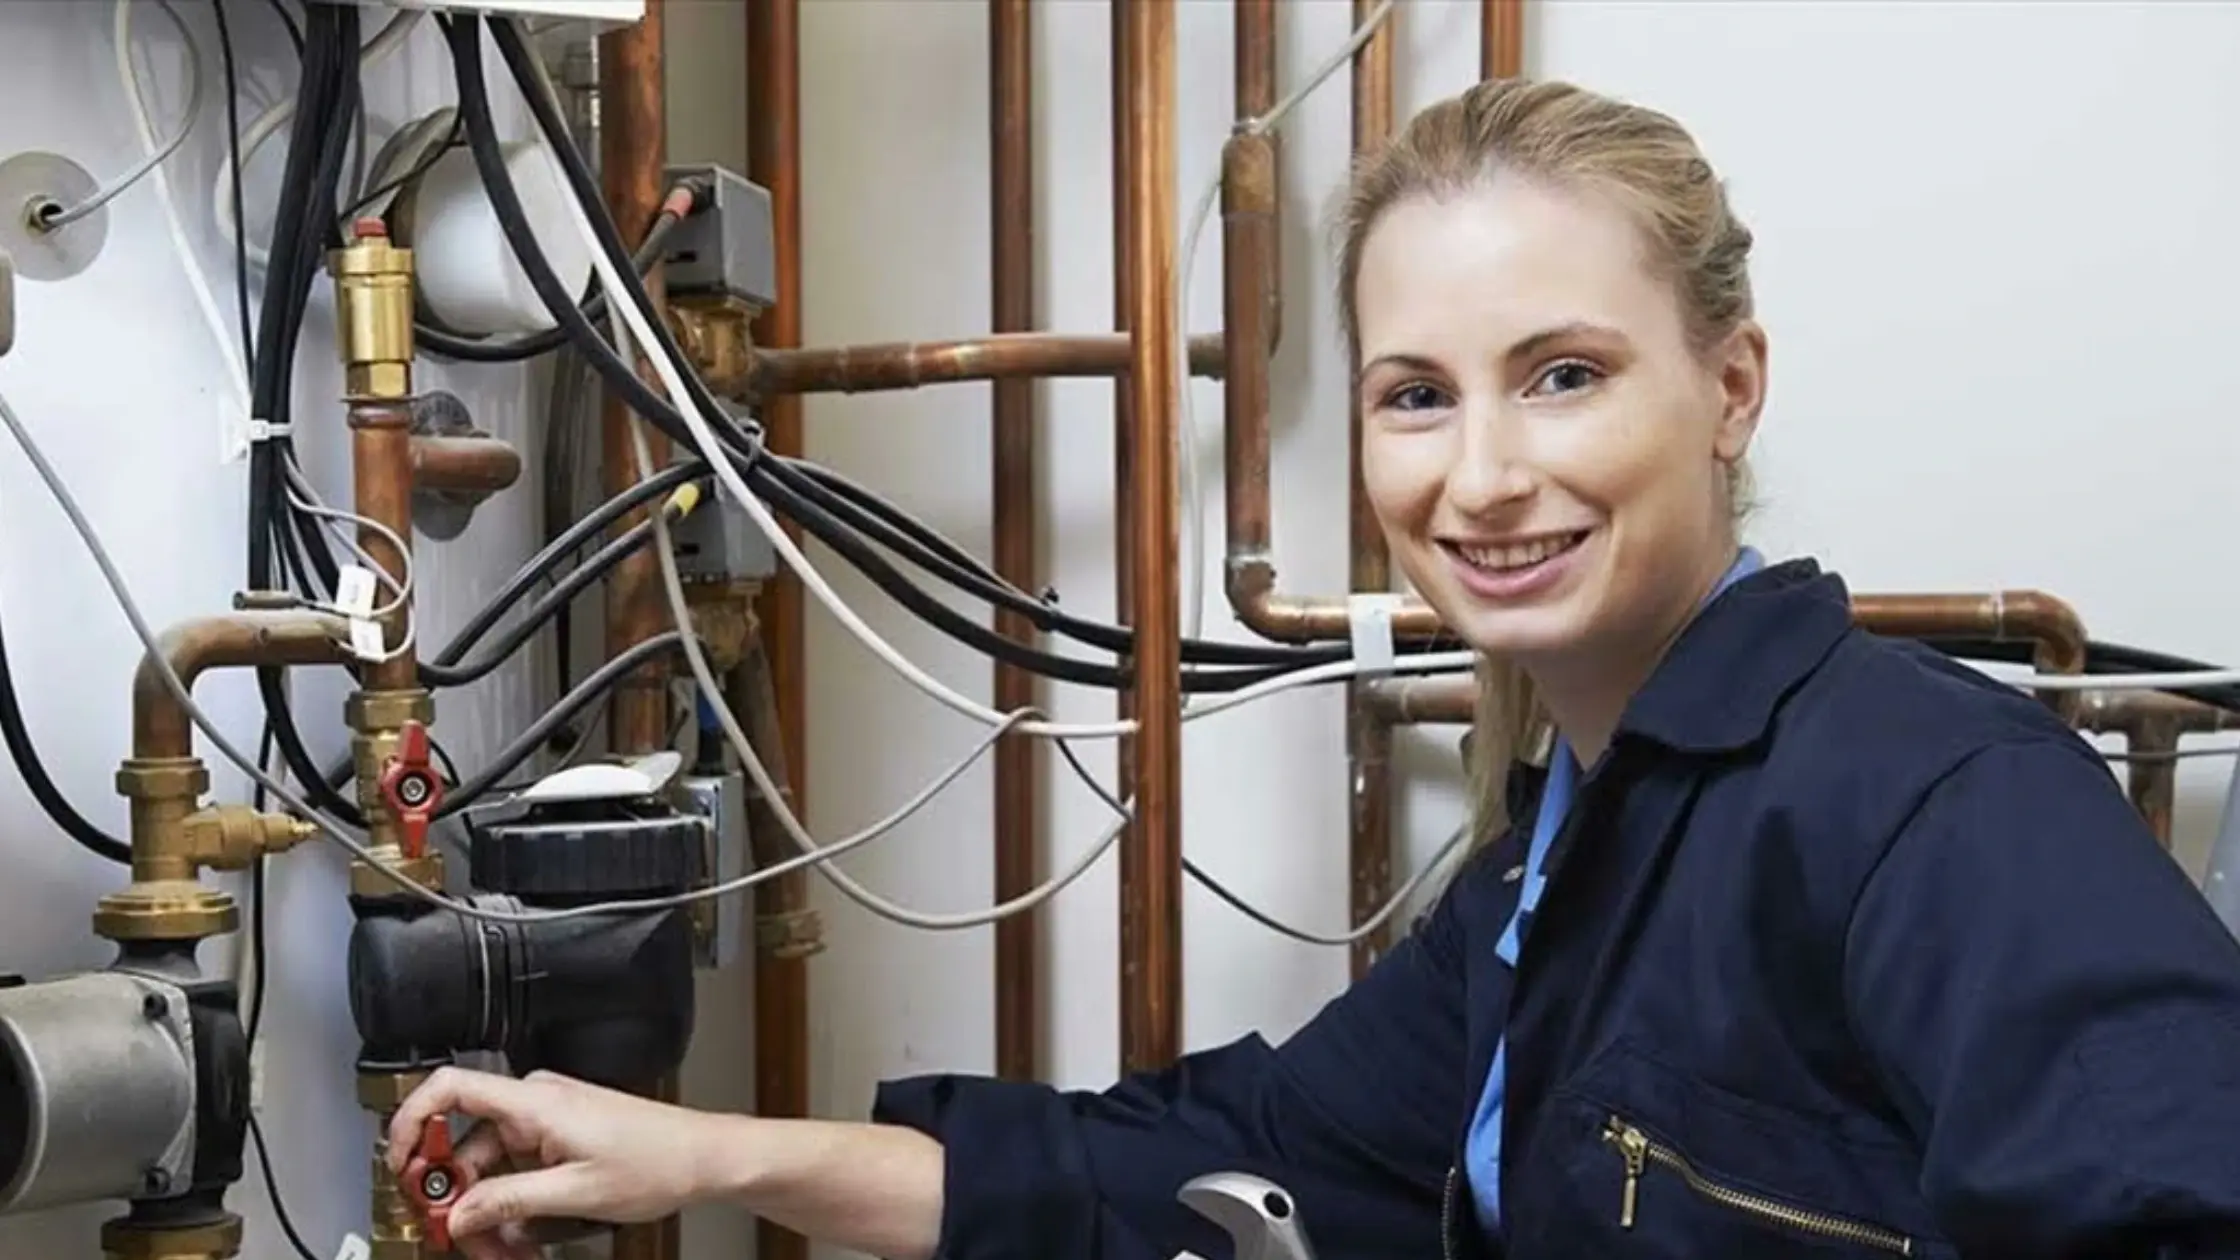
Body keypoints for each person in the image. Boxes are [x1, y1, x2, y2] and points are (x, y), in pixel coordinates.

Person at [386, 77, 2240, 1259]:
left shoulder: (1930, 807)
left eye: (1566, 374)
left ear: (1730, 387)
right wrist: (700, 1153)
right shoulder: (1560, 866)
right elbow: (1230, 1150)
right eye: (1416, 397)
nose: (1485, 473)